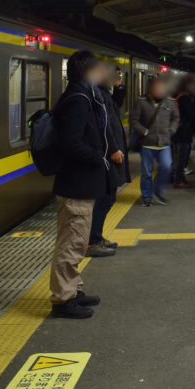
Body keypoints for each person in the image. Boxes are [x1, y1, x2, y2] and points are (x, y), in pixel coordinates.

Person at [49, 50, 109, 319]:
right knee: (71, 243)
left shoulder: (83, 95)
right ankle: (63, 299)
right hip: (76, 184)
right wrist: (98, 157)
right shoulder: (77, 100)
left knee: (76, 240)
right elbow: (71, 143)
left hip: (81, 183)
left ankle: (73, 290)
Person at [87, 64, 130, 258]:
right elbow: (103, 124)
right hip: (107, 154)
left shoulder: (102, 93)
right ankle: (92, 241)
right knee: (105, 197)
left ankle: (96, 237)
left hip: (109, 152)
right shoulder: (95, 94)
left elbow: (114, 108)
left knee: (108, 196)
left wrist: (119, 87)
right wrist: (113, 149)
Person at [129, 77, 179, 207]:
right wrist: (144, 132)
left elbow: (175, 118)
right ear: (150, 89)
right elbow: (133, 120)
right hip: (147, 144)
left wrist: (171, 130)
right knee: (147, 172)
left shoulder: (169, 102)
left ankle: (158, 191)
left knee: (167, 167)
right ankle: (146, 196)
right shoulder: (141, 102)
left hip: (164, 143)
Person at [171, 76, 195, 189]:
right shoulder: (185, 98)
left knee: (178, 156)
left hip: (176, 131)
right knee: (182, 157)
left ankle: (179, 178)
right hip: (183, 132)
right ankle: (178, 180)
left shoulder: (176, 96)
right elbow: (192, 113)